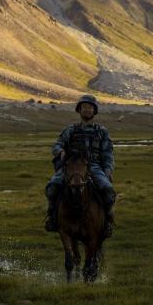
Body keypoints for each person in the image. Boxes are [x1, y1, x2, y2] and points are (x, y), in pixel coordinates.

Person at [44, 94, 116, 236]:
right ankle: (52, 218)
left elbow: (108, 153)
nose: (87, 110)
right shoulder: (70, 129)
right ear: (79, 110)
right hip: (72, 167)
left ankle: (107, 221)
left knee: (108, 191)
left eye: (90, 108)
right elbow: (57, 145)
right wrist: (61, 152)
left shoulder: (102, 132)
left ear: (94, 111)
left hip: (94, 166)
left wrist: (108, 170)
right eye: (84, 107)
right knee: (52, 187)